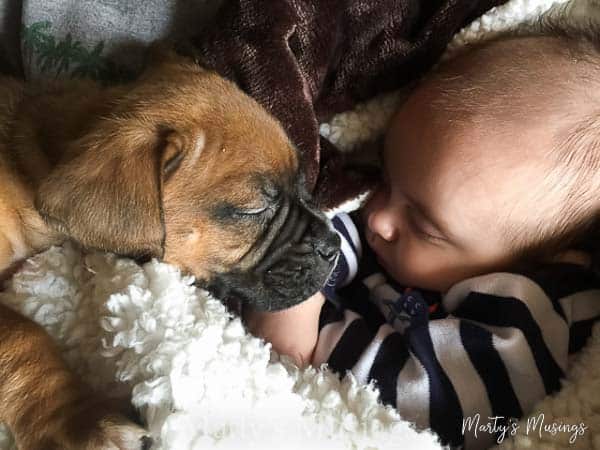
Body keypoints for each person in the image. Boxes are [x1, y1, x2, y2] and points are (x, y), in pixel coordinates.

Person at [244, 33, 600, 449]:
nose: (378, 217)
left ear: (539, 262)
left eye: (424, 225)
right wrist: (300, 262)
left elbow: (419, 413)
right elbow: (335, 229)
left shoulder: (532, 322)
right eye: (387, 175)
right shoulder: (411, 228)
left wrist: (297, 317)